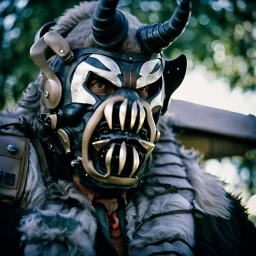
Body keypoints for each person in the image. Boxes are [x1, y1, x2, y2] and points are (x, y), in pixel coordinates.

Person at [0, 0, 255, 255]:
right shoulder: (8, 185)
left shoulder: (213, 214)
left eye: (145, 90)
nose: (129, 108)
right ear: (52, 91)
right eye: (101, 84)